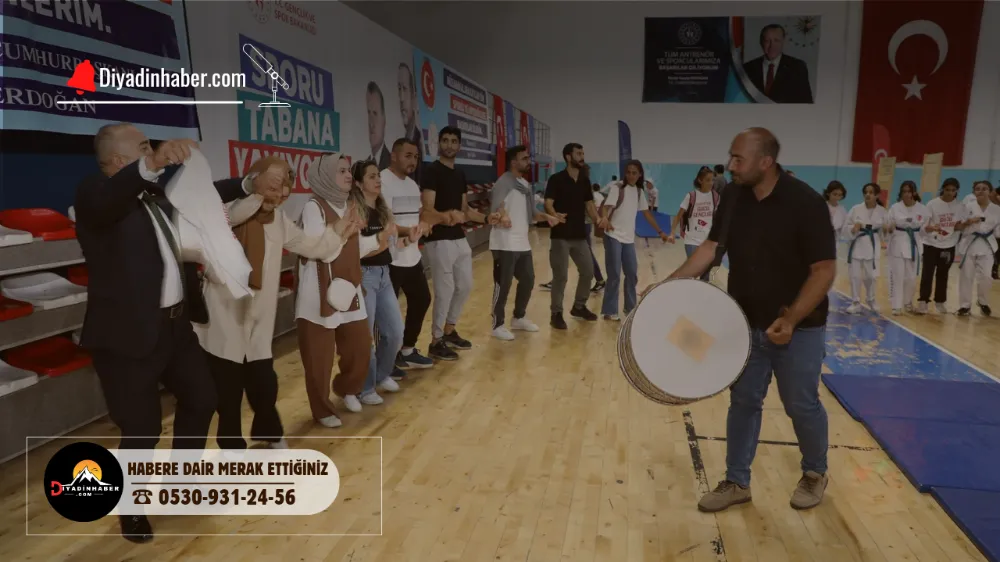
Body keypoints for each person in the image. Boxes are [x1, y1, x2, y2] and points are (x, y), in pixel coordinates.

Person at [74, 123, 254, 542]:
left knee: (203, 398)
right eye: (142, 148)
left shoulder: (151, 194)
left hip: (174, 326)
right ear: (118, 161)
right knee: (142, 429)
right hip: (127, 337)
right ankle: (131, 509)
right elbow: (108, 199)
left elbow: (200, 196)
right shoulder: (94, 194)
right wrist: (153, 163)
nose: (150, 150)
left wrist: (248, 184)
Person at [655, 127, 835, 513]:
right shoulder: (734, 196)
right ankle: (737, 481)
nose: (730, 165)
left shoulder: (806, 203)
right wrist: (666, 286)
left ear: (765, 162)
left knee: (800, 404)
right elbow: (710, 247)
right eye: (731, 157)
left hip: (799, 328)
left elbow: (823, 270)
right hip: (745, 323)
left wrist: (792, 318)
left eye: (739, 159)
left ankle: (815, 472)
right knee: (744, 401)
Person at [196, 157, 353, 450]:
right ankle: (231, 447)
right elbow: (236, 215)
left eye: (283, 188)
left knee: (264, 385)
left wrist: (339, 230)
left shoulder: (278, 221)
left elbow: (312, 246)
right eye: (273, 184)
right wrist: (258, 193)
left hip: (258, 320)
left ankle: (269, 430)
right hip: (224, 318)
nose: (279, 194)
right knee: (228, 392)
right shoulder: (227, 211)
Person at [296, 152, 376, 425]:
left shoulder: (350, 204)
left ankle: (347, 388)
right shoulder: (313, 207)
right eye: (341, 170)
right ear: (325, 175)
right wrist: (343, 232)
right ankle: (322, 410)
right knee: (318, 358)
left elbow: (357, 248)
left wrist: (385, 239)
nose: (348, 175)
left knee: (360, 346)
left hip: (349, 288)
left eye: (348, 170)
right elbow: (321, 250)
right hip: (317, 293)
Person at [420, 126, 487, 359]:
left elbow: (465, 210)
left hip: (458, 237)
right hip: (438, 239)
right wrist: (446, 216)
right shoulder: (431, 171)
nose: (449, 145)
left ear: (459, 146)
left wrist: (488, 218)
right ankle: (436, 340)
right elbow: (427, 211)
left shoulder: (459, 174)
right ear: (439, 143)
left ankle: (449, 330)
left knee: (465, 285)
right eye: (445, 140)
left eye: (453, 141)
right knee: (444, 290)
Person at [351, 159, 411, 403]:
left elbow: (391, 245)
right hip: (365, 275)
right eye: (371, 176)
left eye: (378, 176)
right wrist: (383, 239)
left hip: (385, 274)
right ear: (358, 183)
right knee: (366, 337)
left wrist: (408, 238)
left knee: (395, 332)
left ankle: (381, 375)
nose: (378, 180)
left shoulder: (383, 209)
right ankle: (364, 388)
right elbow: (358, 251)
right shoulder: (354, 211)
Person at [488, 145, 562, 340]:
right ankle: (497, 325)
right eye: (524, 159)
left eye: (528, 158)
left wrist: (548, 217)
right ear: (514, 162)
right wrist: (503, 215)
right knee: (503, 285)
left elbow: (532, 214)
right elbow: (495, 207)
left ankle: (518, 317)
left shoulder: (525, 185)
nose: (529, 162)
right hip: (504, 243)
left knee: (528, 280)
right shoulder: (503, 182)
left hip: (522, 243)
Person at [380, 138, 434, 370]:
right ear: (394, 156)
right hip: (389, 258)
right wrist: (408, 231)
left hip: (412, 257)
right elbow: (383, 222)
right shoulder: (381, 181)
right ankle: (385, 360)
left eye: (416, 157)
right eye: (408, 156)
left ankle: (407, 350)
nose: (413, 161)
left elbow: (420, 214)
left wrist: (424, 223)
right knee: (386, 314)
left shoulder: (412, 185)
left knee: (422, 299)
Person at [545, 143, 606, 329]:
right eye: (578, 154)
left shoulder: (584, 180)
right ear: (568, 157)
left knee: (588, 271)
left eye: (583, 153)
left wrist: (598, 220)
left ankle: (579, 307)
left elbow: (589, 205)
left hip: (579, 235)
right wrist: (554, 214)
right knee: (561, 276)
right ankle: (556, 313)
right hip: (560, 235)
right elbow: (548, 203)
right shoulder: (556, 179)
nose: (582, 157)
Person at [600, 159, 668, 320]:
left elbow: (646, 214)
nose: (631, 175)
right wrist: (604, 218)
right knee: (614, 274)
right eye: (628, 172)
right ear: (625, 173)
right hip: (613, 235)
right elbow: (606, 207)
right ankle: (609, 311)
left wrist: (660, 232)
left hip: (628, 239)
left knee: (631, 274)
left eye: (634, 173)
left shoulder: (638, 192)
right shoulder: (617, 188)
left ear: (639, 175)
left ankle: (630, 308)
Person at [918, 178, 967, 314]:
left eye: (953, 190)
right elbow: (925, 225)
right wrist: (931, 228)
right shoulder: (932, 204)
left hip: (949, 244)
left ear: (957, 191)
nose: (950, 193)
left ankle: (940, 301)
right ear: (942, 189)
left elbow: (959, 226)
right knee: (927, 273)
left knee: (943, 274)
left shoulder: (960, 206)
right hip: (931, 243)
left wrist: (965, 224)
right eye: (947, 190)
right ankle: (923, 300)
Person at [885, 181, 929, 315]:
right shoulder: (895, 208)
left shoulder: (922, 209)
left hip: (914, 244)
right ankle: (896, 305)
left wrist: (929, 229)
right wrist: (889, 228)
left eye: (909, 191)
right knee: (897, 276)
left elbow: (924, 230)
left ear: (914, 193)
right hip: (898, 243)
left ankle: (907, 302)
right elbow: (888, 226)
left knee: (911, 278)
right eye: (904, 191)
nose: (906, 194)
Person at [956, 180, 999, 316]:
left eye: (984, 188)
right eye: (978, 188)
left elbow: (998, 231)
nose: (980, 191)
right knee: (966, 276)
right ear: (974, 191)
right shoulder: (967, 207)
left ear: (990, 192)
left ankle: (983, 301)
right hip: (969, 243)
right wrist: (967, 222)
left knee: (986, 276)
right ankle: (965, 305)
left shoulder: (997, 209)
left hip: (987, 245)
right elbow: (957, 226)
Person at [668, 166, 720, 282]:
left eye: (712, 180)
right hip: (692, 240)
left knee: (705, 276)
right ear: (700, 180)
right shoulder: (691, 196)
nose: (711, 183)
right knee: (692, 274)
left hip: (707, 242)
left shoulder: (715, 197)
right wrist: (672, 233)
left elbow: (717, 218)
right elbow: (678, 216)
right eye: (707, 180)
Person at [843, 183, 888, 314]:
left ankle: (871, 299)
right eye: (866, 192)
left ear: (877, 195)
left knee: (871, 277)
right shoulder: (855, 209)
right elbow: (845, 228)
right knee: (855, 276)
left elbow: (884, 233)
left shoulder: (882, 211)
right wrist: (853, 229)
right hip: (857, 245)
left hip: (872, 245)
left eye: (871, 192)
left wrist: (886, 230)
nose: (868, 195)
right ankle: (855, 302)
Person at [744, 24, 814, 103]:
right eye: (767, 41)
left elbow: (806, 103)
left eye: (776, 40)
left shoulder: (797, 67)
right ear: (761, 42)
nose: (772, 46)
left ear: (783, 42)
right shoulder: (748, 68)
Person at [398, 63, 424, 183]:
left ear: (414, 97)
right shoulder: (406, 138)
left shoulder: (418, 143)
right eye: (399, 89)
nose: (401, 98)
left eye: (405, 89)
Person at [365, 82, 391, 170]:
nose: (371, 123)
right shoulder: (362, 167)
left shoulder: (394, 165)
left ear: (384, 119)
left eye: (375, 113)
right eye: (369, 113)